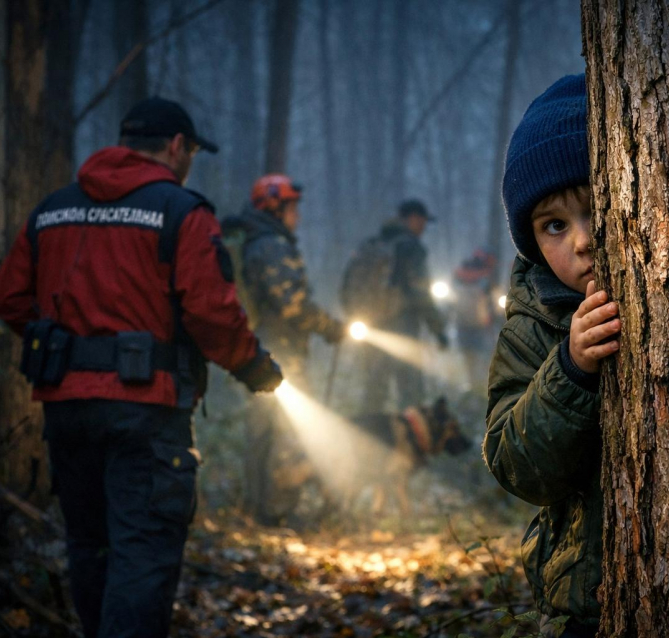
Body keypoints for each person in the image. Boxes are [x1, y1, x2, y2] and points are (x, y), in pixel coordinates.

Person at [0, 96, 282, 638]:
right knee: (142, 553)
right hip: (145, 414)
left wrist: (65, 349)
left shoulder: (52, 209)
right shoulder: (180, 212)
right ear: (176, 147)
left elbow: (12, 299)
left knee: (89, 545)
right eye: (192, 151)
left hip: (66, 410)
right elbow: (210, 311)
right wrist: (253, 367)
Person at [483, 74, 621, 638]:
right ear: (532, 240)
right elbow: (513, 460)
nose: (581, 241)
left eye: (593, 211)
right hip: (580, 598)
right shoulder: (533, 320)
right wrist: (569, 368)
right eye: (554, 226)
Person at [222, 174, 344, 523]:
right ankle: (277, 509)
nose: (298, 217)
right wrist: (330, 327)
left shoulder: (255, 242)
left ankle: (258, 505)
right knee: (287, 430)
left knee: (261, 430)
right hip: (281, 352)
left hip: (259, 348)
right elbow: (293, 306)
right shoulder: (272, 245)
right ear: (276, 207)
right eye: (293, 208)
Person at [345, 199, 448, 412]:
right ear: (412, 218)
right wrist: (438, 330)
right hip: (403, 327)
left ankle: (372, 436)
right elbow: (421, 292)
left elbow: (347, 286)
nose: (423, 227)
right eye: (422, 221)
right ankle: (409, 440)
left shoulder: (372, 244)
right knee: (410, 393)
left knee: (374, 390)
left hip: (372, 329)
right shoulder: (411, 247)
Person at [452, 248, 499, 393]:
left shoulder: (460, 275)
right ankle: (481, 384)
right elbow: (491, 301)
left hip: (464, 322)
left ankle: (473, 384)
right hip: (480, 324)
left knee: (470, 356)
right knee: (482, 355)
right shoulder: (485, 278)